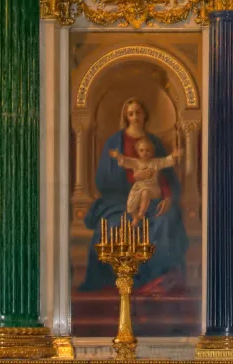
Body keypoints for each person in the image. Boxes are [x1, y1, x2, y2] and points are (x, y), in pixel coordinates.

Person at [81, 98, 189, 294]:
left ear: (145, 115)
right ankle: (118, 282)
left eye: (138, 112)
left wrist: (168, 199)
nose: (135, 116)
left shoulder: (154, 143)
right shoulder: (114, 142)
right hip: (119, 201)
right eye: (131, 113)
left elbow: (167, 176)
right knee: (113, 224)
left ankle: (159, 279)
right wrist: (133, 177)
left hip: (153, 199)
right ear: (126, 117)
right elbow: (103, 179)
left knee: (166, 220)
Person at [114, 137, 183, 223]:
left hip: (152, 188)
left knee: (145, 192)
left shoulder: (155, 162)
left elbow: (165, 161)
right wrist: (118, 156)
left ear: (152, 151)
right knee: (130, 203)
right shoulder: (136, 162)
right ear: (137, 151)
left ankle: (141, 214)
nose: (145, 153)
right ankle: (135, 217)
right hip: (138, 187)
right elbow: (126, 161)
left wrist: (173, 155)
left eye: (148, 150)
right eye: (141, 150)